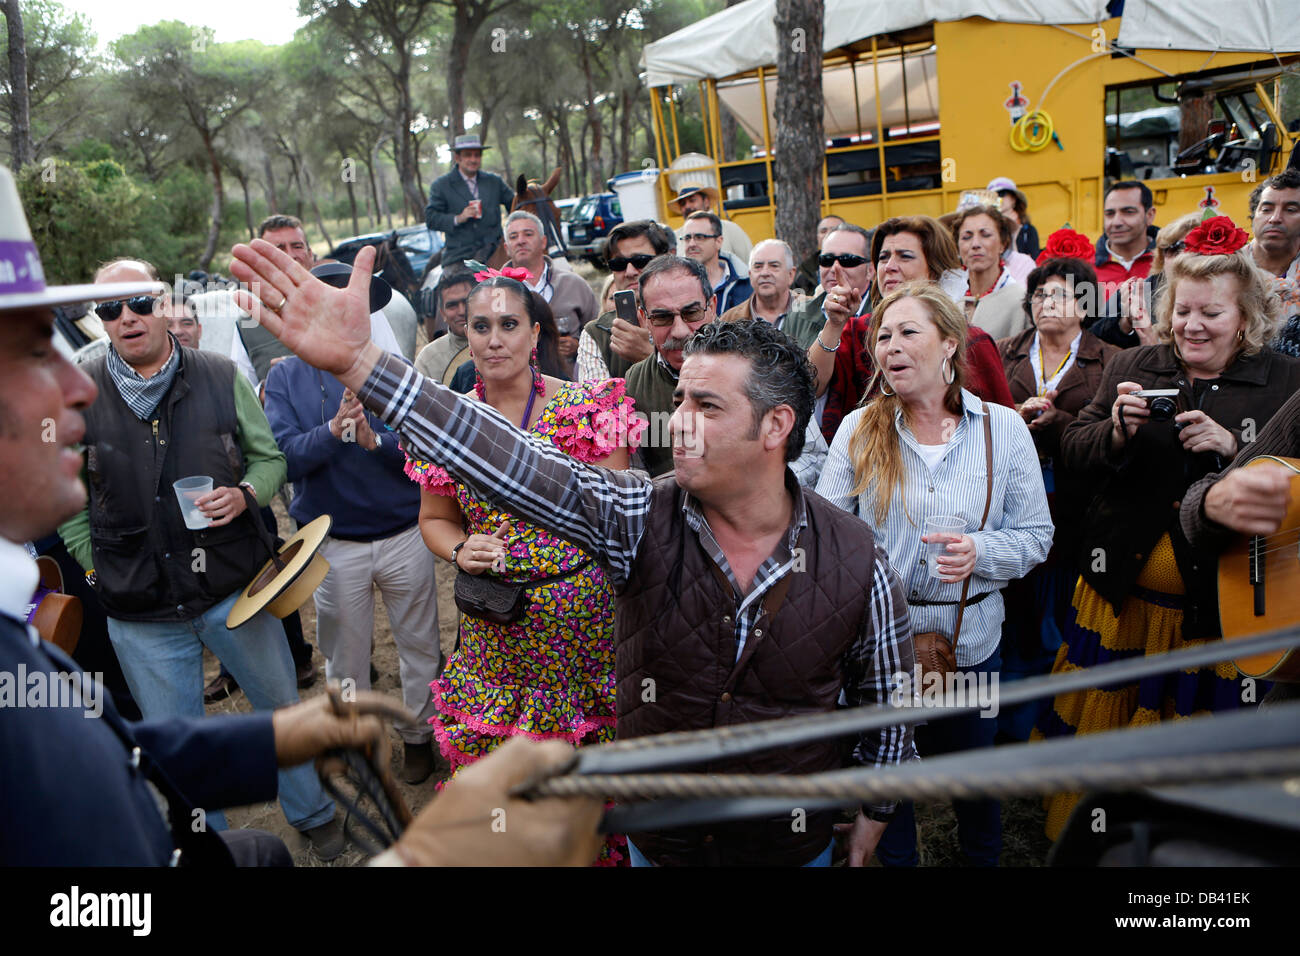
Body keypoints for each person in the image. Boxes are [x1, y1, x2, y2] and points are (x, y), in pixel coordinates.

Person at [228, 237, 919, 867]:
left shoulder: (859, 560)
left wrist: (874, 818)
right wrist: (362, 364)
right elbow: (514, 463)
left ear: (776, 425)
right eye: (676, 400)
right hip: (663, 843)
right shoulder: (640, 514)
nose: (675, 422)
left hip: (789, 850)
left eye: (706, 408)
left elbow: (886, 707)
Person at [0, 164, 604, 868]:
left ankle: (304, 816)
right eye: (37, 353)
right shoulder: (276, 380)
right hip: (167, 595)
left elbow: (112, 759)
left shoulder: (218, 381)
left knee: (258, 850)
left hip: (251, 581)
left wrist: (283, 735)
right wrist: (425, 857)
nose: (80, 382)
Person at [55, 257, 345, 857]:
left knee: (278, 711)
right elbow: (70, 503)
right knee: (172, 744)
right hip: (140, 611)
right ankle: (209, 849)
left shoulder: (217, 373)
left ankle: (313, 812)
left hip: (235, 588)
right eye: (110, 309)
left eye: (138, 303)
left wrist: (244, 495)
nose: (127, 317)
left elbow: (271, 461)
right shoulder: (79, 392)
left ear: (164, 303)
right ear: (99, 320)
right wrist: (95, 570)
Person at [1036, 216, 1300, 839]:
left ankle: (1180, 840)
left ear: (1246, 316)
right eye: (1182, 311)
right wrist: (1116, 431)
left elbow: (1289, 477)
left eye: (1211, 313)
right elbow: (1073, 450)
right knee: (1113, 717)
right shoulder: (1135, 361)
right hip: (1120, 593)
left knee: (1193, 727)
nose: (1191, 326)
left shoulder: (1285, 381)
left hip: (1222, 604)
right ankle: (1092, 835)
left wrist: (1236, 447)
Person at [403, 272, 639, 863]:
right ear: (465, 334)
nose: (494, 339)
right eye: (480, 326)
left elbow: (619, 517)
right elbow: (435, 519)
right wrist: (460, 549)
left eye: (509, 324)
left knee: (586, 770)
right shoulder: (448, 425)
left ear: (535, 332)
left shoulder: (587, 408)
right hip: (496, 631)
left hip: (581, 633)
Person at [816, 281, 1052, 866]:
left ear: (950, 344)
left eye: (908, 332)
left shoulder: (1003, 429)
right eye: (883, 337)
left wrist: (982, 553)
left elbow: (1037, 535)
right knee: (888, 794)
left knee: (975, 786)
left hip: (971, 642)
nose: (890, 346)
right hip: (881, 648)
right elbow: (823, 537)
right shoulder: (858, 429)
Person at [263, 321, 443, 785]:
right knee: (344, 656)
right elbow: (285, 458)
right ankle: (360, 745)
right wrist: (333, 429)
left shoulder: (393, 368)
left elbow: (422, 451)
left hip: (404, 532)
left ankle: (419, 736)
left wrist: (373, 441)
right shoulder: (285, 377)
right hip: (333, 540)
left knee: (420, 644)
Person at [996, 258, 1118, 740]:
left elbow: (1113, 434)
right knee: (1017, 617)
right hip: (1010, 506)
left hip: (1077, 510)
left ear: (1086, 305)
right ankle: (1011, 729)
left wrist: (1061, 424)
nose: (1048, 304)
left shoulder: (1110, 358)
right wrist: (1013, 415)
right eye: (1041, 296)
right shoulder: (1003, 352)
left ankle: (1060, 725)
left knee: (1066, 621)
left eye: (1062, 295)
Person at [625, 255, 825, 483]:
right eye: (662, 318)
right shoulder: (635, 382)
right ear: (644, 318)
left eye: (691, 314)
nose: (679, 331)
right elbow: (636, 475)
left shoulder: (761, 359)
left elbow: (812, 456)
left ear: (712, 306)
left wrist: (745, 487)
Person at [230, 215, 404, 391]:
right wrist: (272, 387)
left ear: (310, 255)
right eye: (279, 248)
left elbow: (396, 371)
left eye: (297, 246)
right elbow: (242, 394)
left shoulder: (352, 303)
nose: (291, 255)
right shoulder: (247, 325)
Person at [502, 210, 599, 376]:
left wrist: (579, 346)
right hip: (512, 387)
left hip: (569, 389)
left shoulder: (575, 285)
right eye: (513, 237)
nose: (520, 241)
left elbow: (599, 334)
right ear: (506, 248)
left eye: (528, 234)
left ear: (543, 242)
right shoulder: (494, 291)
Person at [576, 219, 672, 382]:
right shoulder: (596, 333)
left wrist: (648, 356)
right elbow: (599, 403)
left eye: (641, 260)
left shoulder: (690, 317)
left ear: (666, 260)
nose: (629, 271)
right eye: (619, 263)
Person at [1090, 211, 1200, 349]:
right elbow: (1094, 341)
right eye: (1174, 248)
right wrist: (1126, 323)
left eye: (1193, 248)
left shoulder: (1230, 293)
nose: (1183, 257)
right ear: (1162, 257)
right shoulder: (1137, 292)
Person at [425, 133, 513, 269]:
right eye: (468, 155)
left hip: (496, 251)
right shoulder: (442, 185)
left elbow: (515, 206)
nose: (473, 159)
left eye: (477, 155)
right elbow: (431, 219)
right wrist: (458, 218)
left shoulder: (494, 182)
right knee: (454, 288)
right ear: (457, 158)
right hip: (460, 256)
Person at [1245, 168, 1300, 356]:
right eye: (1266, 209)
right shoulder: (1225, 268)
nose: (1275, 218)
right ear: (1254, 216)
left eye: (1290, 210)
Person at [953, 205, 1028, 340]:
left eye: (985, 235)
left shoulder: (1020, 301)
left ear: (1002, 244)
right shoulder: (951, 300)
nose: (975, 244)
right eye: (966, 237)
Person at [681, 210, 752, 315]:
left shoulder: (746, 283)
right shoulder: (675, 285)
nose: (691, 244)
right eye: (687, 238)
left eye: (699, 237)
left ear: (719, 242)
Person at [720, 238, 801, 329]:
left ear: (791, 274)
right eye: (758, 267)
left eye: (774, 266)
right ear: (750, 275)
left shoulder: (812, 313)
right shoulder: (730, 321)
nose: (764, 273)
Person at [1094, 181, 1158, 295]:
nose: (1116, 222)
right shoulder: (1086, 268)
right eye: (1110, 213)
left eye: (1128, 212)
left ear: (1150, 215)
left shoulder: (1171, 263)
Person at [414, 268, 475, 385]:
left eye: (466, 302)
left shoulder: (498, 345)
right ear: (442, 313)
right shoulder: (427, 359)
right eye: (452, 305)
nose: (462, 311)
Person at [669, 183, 753, 262]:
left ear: (706, 202)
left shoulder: (730, 229)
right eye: (683, 204)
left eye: (692, 200)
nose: (687, 206)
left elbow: (749, 261)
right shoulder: (675, 237)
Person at [988, 176, 1040, 259]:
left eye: (1002, 194)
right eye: (994, 196)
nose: (998, 199)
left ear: (1014, 198)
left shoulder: (1028, 231)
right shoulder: (987, 232)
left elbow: (1034, 263)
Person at [794, 214, 844, 295]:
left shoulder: (856, 266)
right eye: (823, 231)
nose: (828, 234)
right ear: (817, 237)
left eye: (834, 230)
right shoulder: (805, 272)